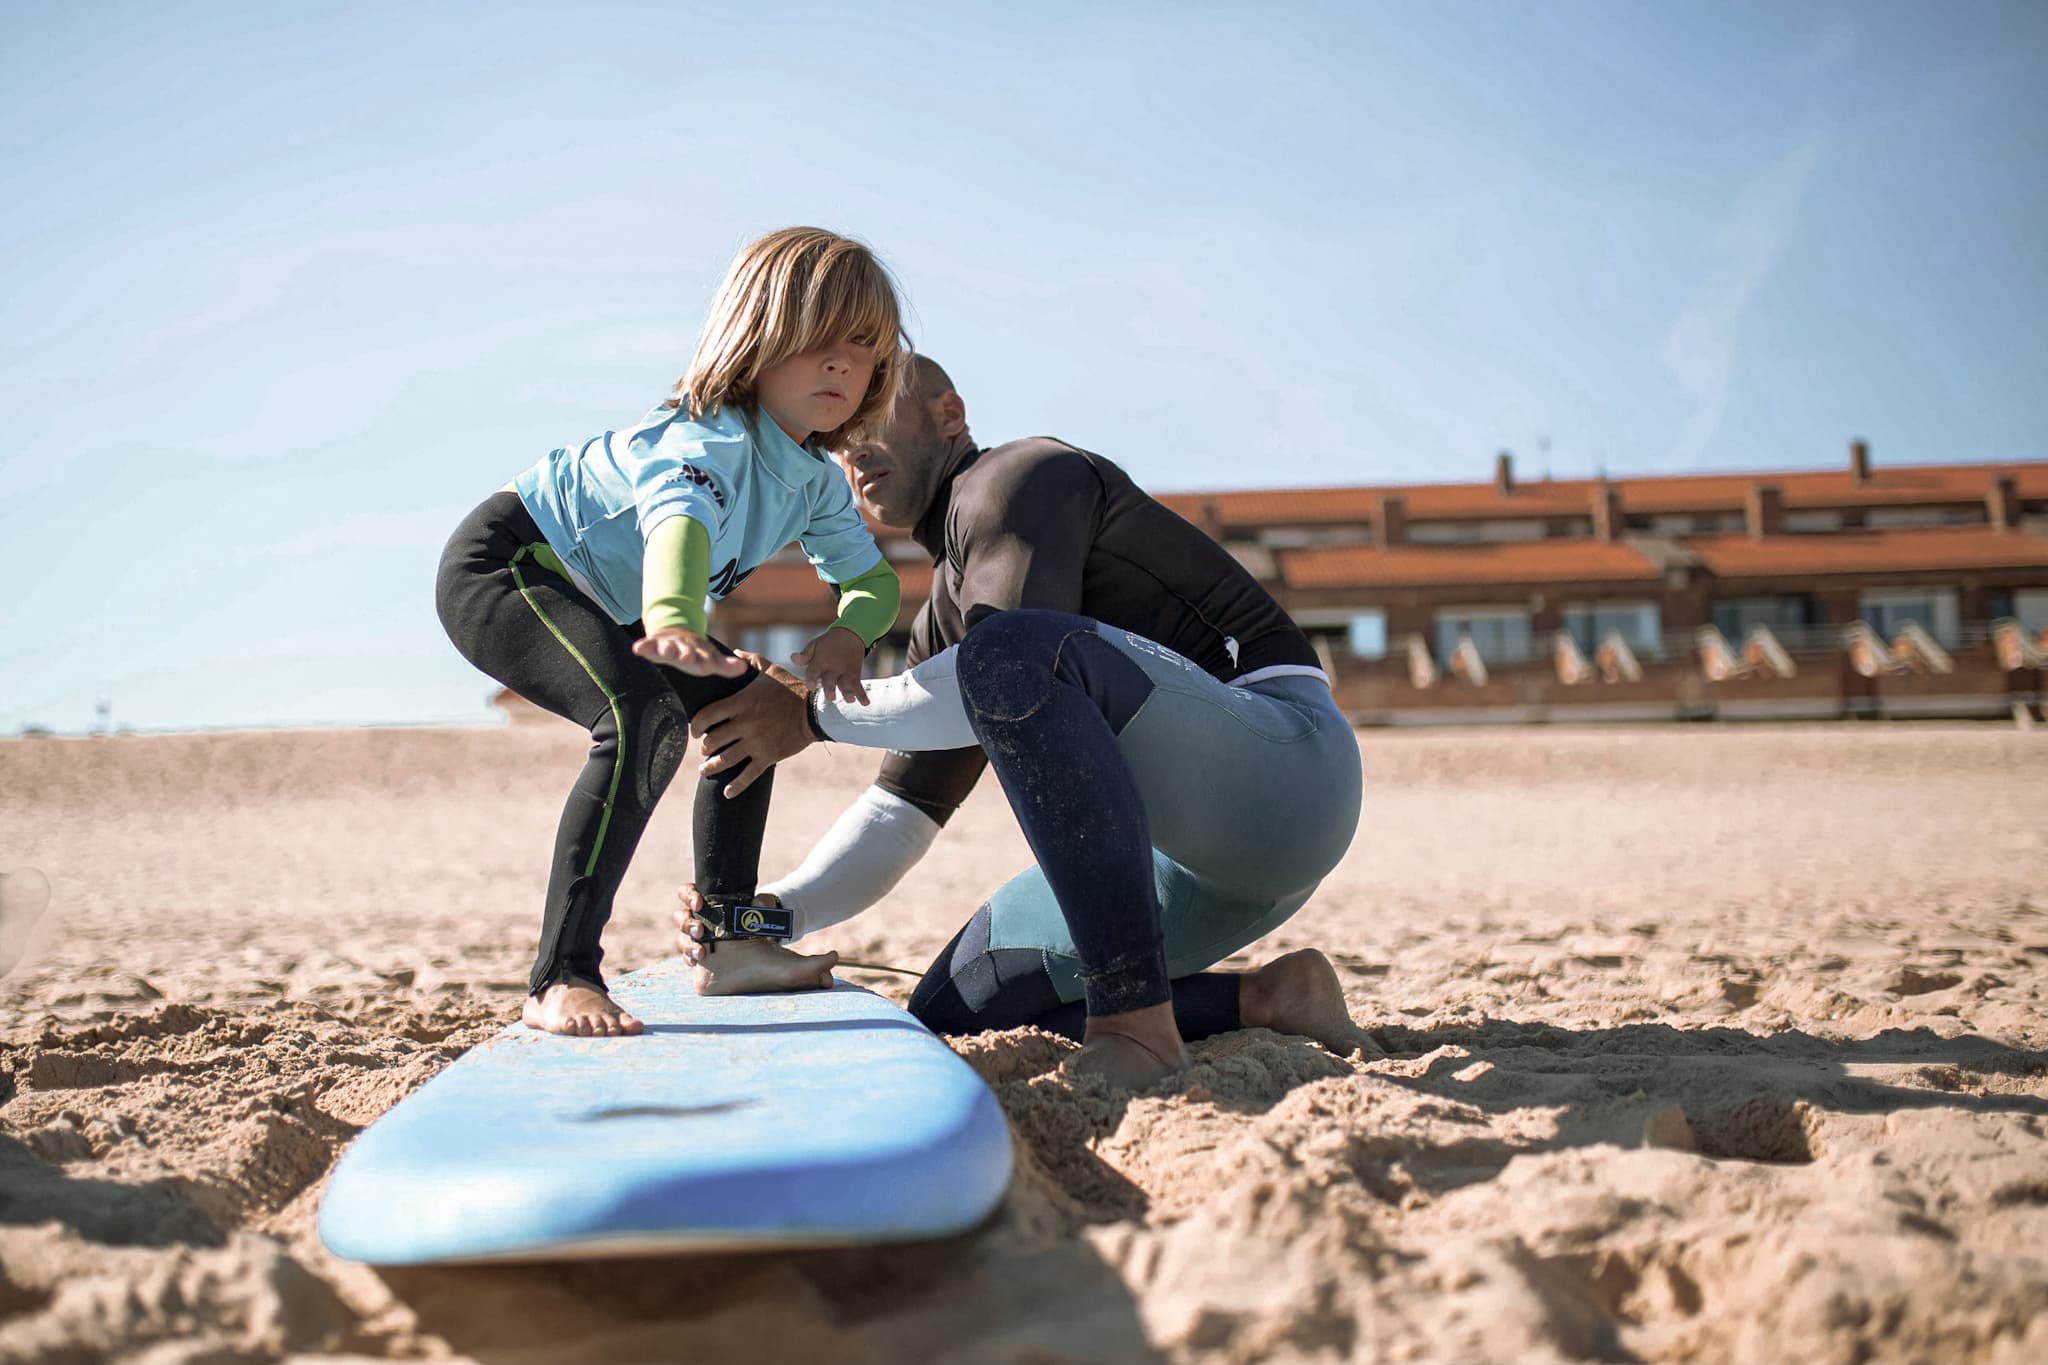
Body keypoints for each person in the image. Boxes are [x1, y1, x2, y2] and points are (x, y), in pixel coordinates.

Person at [674, 356, 1374, 1087]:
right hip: (1196, 867)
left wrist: (812, 716)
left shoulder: (1019, 480)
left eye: (871, 416)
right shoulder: (947, 612)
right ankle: (1271, 997)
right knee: (954, 1009)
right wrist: (768, 917)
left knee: (1010, 649)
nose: (850, 448)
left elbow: (1007, 660)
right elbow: (898, 814)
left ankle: (1135, 1027)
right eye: (838, 436)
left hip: (1289, 771)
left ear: (949, 414)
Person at [435, 227, 907, 1037]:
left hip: (618, 601)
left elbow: (874, 582)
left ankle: (727, 945)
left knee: (751, 711)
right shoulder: (708, 437)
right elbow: (677, 522)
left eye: (861, 347)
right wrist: (678, 619)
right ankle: (561, 975)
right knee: (639, 717)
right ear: (757, 339)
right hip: (512, 566)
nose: (839, 362)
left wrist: (850, 633)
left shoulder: (815, 482)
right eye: (817, 339)